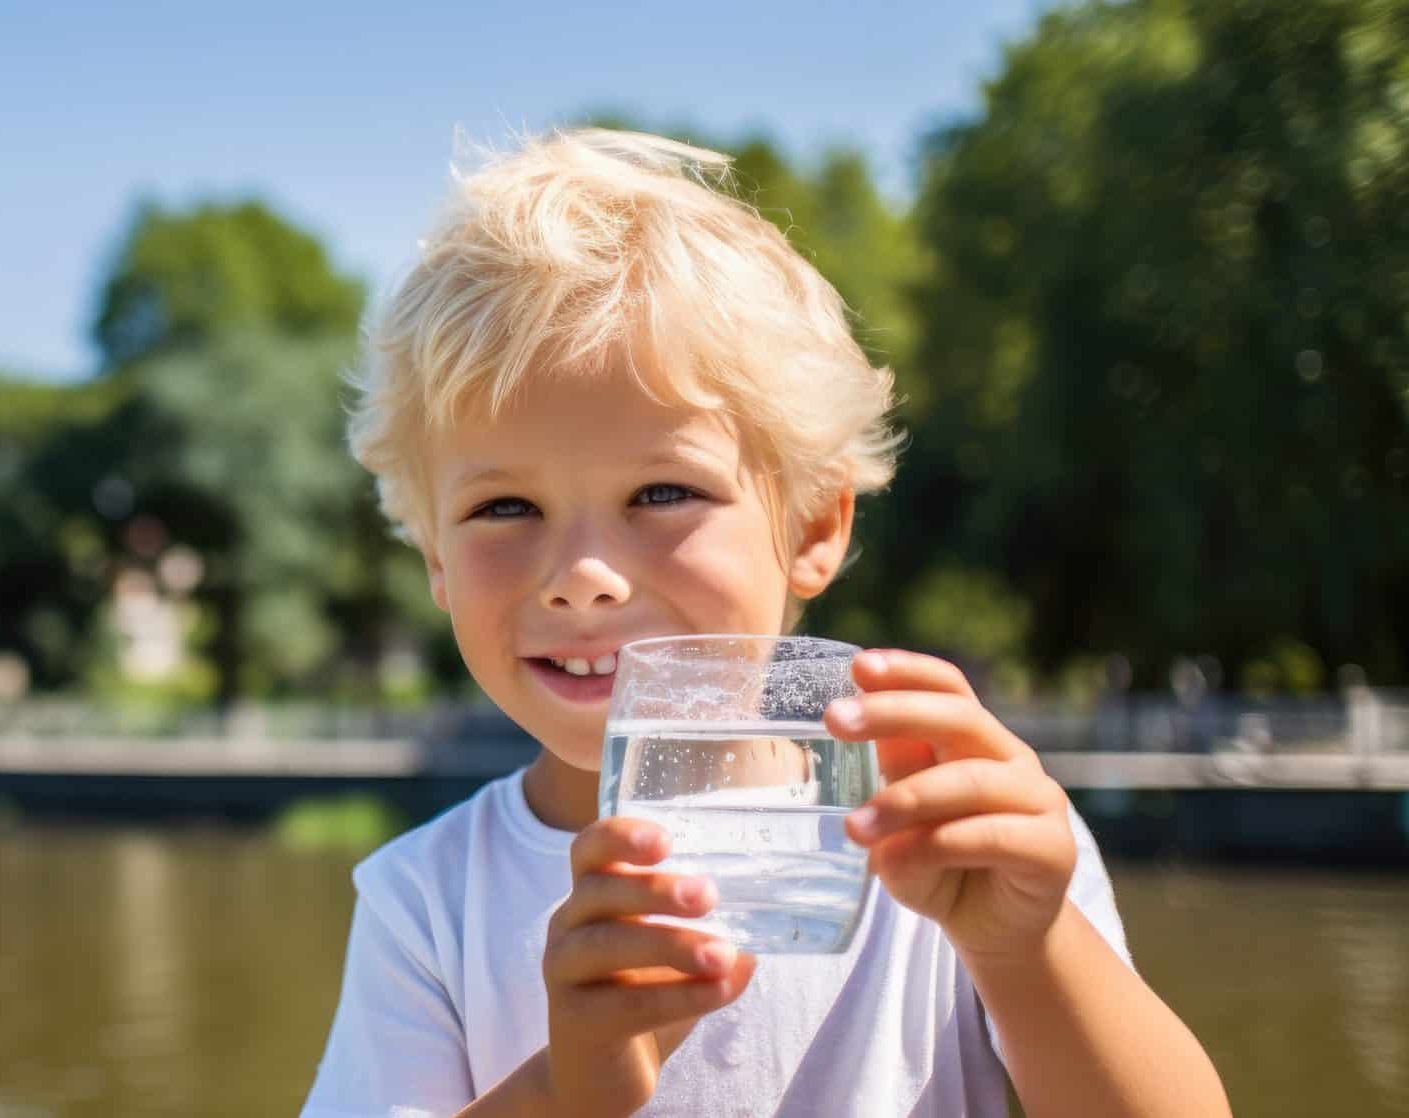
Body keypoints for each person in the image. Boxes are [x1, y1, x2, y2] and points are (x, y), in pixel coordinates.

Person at [300, 129, 1228, 1118]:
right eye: (502, 508)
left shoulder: (959, 832)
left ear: (812, 527)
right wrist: (564, 1091)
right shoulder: (427, 902)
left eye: (661, 490)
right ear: (435, 558)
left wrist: (1028, 947)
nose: (581, 578)